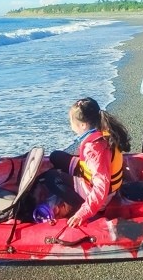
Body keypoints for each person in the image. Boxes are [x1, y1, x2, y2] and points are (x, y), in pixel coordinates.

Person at [44, 97, 131, 227]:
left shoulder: (94, 149)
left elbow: (101, 186)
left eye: (71, 121)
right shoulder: (104, 130)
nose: (70, 125)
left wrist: (84, 213)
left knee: (51, 178)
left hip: (100, 197)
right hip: (91, 175)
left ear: (83, 125)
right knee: (55, 156)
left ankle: (78, 204)